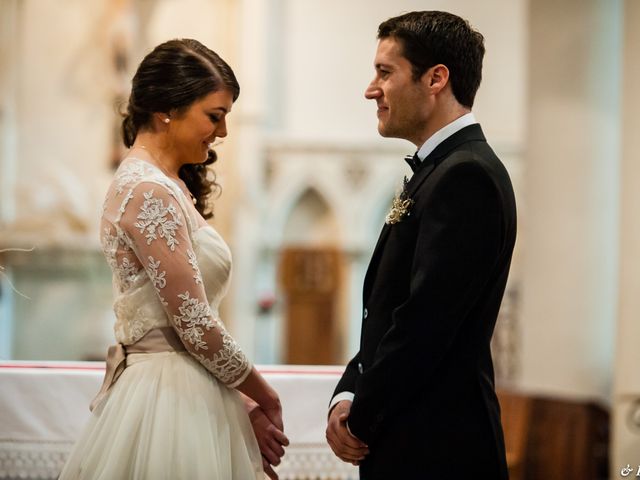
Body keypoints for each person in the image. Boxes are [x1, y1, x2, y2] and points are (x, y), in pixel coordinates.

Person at [59, 39, 288, 480]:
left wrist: (236, 401)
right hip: (168, 397)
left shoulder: (165, 184)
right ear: (167, 109)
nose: (221, 133)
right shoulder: (148, 190)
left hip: (187, 385)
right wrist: (265, 395)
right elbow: (194, 324)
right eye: (214, 116)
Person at [326, 11, 516, 479]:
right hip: (416, 436)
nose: (372, 89)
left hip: (439, 448)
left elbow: (424, 321)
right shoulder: (439, 171)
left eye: (385, 73)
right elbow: (388, 311)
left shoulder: (465, 176)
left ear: (436, 79)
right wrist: (347, 390)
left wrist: (363, 414)